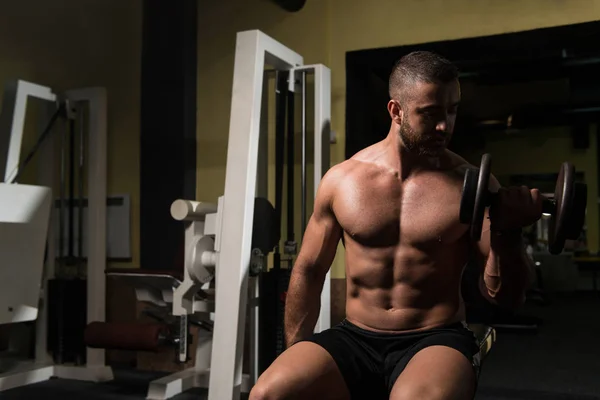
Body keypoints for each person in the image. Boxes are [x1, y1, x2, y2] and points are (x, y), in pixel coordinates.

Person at [249, 51, 542, 400]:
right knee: (269, 393)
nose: (444, 126)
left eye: (452, 111)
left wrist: (508, 235)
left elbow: (504, 297)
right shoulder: (343, 181)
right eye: (431, 113)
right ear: (396, 110)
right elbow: (309, 270)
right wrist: (296, 351)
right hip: (355, 335)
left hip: (435, 336)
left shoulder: (474, 186)